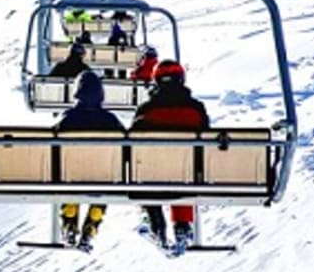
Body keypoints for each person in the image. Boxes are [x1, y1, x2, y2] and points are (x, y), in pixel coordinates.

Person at [131, 60, 210, 255]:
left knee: (147, 173)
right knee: (185, 169)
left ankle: (156, 224)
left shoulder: (146, 110)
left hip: (151, 177)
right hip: (188, 175)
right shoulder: (196, 109)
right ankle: (182, 225)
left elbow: (132, 142)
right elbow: (207, 139)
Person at [56, 71, 124, 251]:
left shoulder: (67, 118)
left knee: (70, 180)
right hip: (103, 178)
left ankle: (69, 220)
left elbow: (52, 145)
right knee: (103, 188)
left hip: (71, 178)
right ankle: (91, 225)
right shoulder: (110, 120)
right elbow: (126, 146)